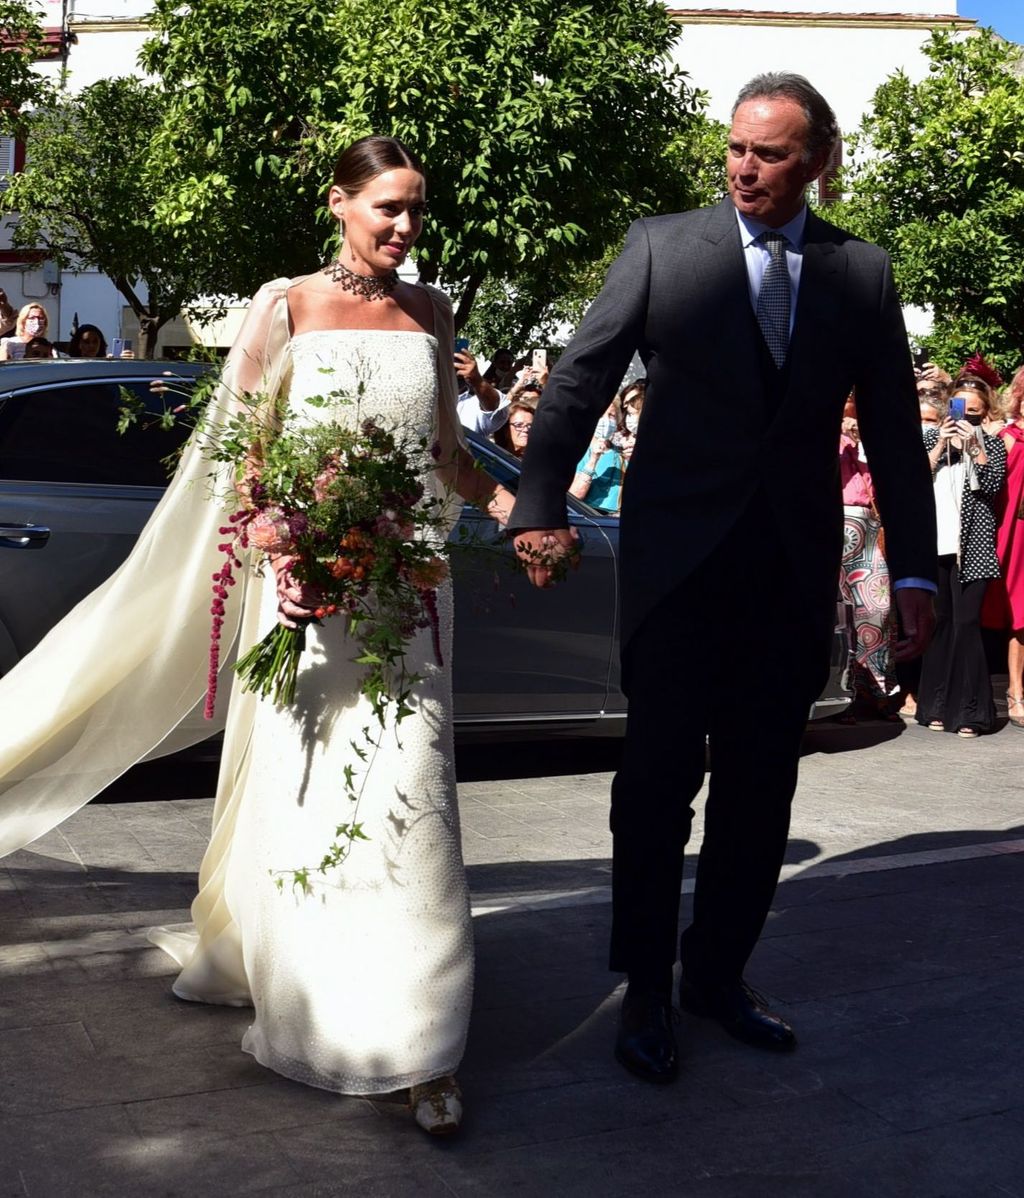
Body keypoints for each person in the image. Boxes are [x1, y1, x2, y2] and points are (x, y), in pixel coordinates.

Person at [0, 136, 516, 1136]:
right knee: (316, 795)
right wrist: (291, 542)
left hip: (410, 603)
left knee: (413, 800)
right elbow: (241, 459)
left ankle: (421, 1040)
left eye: (416, 210)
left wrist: (521, 509)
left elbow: (446, 457)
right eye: (387, 209)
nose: (405, 228)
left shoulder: (433, 313)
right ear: (339, 203)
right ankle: (322, 996)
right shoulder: (283, 307)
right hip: (309, 600)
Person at [508, 72, 937, 1083]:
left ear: (818, 163)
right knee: (654, 783)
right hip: (675, 570)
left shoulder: (859, 274)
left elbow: (891, 434)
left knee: (761, 787)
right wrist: (536, 502)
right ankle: (646, 987)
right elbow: (581, 377)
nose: (744, 168)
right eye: (735, 148)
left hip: (788, 573)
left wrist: (915, 567)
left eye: (770, 153)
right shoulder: (662, 248)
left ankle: (717, 976)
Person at [916, 383, 1006, 736]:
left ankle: (972, 712)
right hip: (936, 542)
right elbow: (915, 479)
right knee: (940, 623)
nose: (964, 417)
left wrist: (976, 447)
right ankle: (935, 706)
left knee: (967, 625)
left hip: (975, 547)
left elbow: (993, 484)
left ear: (984, 414)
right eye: (959, 409)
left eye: (973, 412)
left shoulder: (992, 444)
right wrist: (941, 442)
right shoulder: (929, 439)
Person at [837, 397, 898, 720]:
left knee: (876, 610)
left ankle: (878, 689)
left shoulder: (866, 439)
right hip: (831, 524)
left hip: (867, 528)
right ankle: (843, 692)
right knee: (839, 616)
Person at [983, 366, 1024, 728]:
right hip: (1008, 532)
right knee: (1009, 612)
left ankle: (1016, 691)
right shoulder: (1008, 437)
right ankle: (1011, 690)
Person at [570, 398, 626, 513]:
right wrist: (594, 459)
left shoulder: (622, 456)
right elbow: (574, 497)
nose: (605, 421)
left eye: (611, 416)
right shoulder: (578, 452)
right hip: (586, 518)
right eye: (600, 415)